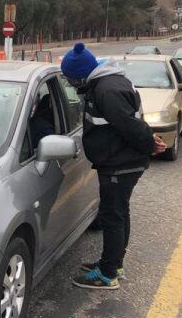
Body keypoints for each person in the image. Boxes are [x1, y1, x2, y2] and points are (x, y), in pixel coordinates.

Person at [61, 43, 166, 290]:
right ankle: (113, 262)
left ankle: (108, 274)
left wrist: (150, 143)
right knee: (119, 213)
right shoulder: (109, 83)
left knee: (113, 216)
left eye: (71, 78)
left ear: (81, 75)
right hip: (120, 160)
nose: (72, 84)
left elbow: (129, 125)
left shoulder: (107, 91)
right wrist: (149, 141)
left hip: (121, 163)